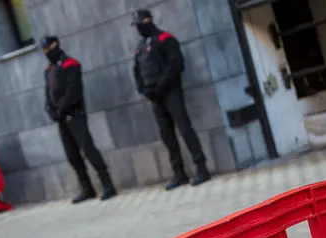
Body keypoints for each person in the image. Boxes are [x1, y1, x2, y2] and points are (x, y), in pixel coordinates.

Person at [131, 9, 212, 190]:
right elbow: (136, 70)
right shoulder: (140, 45)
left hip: (170, 92)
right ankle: (179, 173)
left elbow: (176, 65)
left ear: (148, 20)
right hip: (155, 97)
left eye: (139, 23)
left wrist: (161, 86)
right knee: (167, 134)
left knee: (184, 128)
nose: (137, 28)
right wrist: (144, 90)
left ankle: (201, 168)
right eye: (135, 25)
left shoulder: (166, 39)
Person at [41, 35, 117, 204]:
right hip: (61, 119)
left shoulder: (71, 64)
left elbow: (73, 90)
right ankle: (86, 188)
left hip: (74, 114)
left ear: (56, 45)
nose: (46, 52)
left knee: (88, 149)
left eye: (48, 48)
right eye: (44, 50)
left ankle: (107, 184)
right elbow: (48, 93)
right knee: (72, 155)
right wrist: (50, 110)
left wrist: (61, 109)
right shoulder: (48, 70)